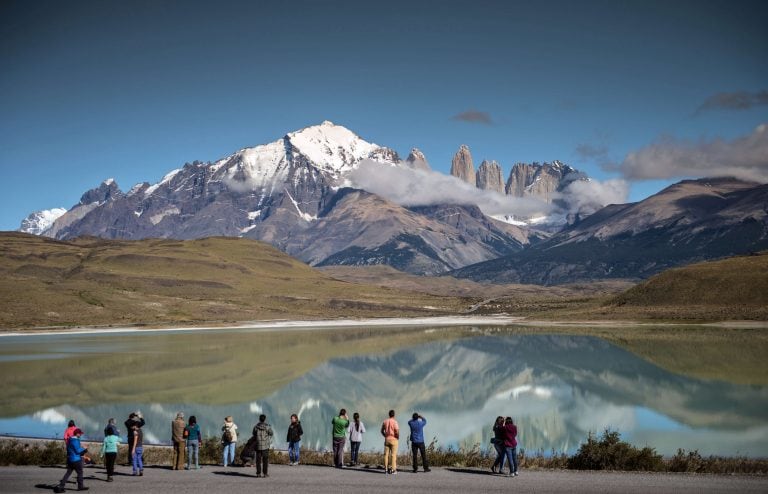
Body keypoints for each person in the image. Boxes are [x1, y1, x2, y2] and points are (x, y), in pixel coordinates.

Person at [381, 409, 399, 475]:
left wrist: (385, 435)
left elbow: (382, 431)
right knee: (393, 455)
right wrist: (397, 437)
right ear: (394, 415)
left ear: (389, 414)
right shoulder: (395, 422)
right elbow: (396, 431)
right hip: (394, 439)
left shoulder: (385, 421)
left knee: (386, 455)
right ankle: (393, 470)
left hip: (387, 439)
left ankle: (385, 469)